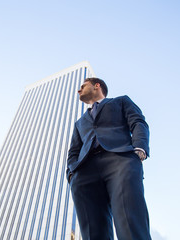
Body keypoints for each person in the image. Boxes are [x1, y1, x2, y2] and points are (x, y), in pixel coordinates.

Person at [66, 78, 151, 240]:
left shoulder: (121, 101)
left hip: (120, 160)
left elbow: (138, 122)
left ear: (97, 86)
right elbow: (74, 151)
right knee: (93, 233)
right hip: (85, 171)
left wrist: (140, 147)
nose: (79, 90)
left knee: (129, 221)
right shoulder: (79, 123)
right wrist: (72, 174)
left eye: (83, 86)